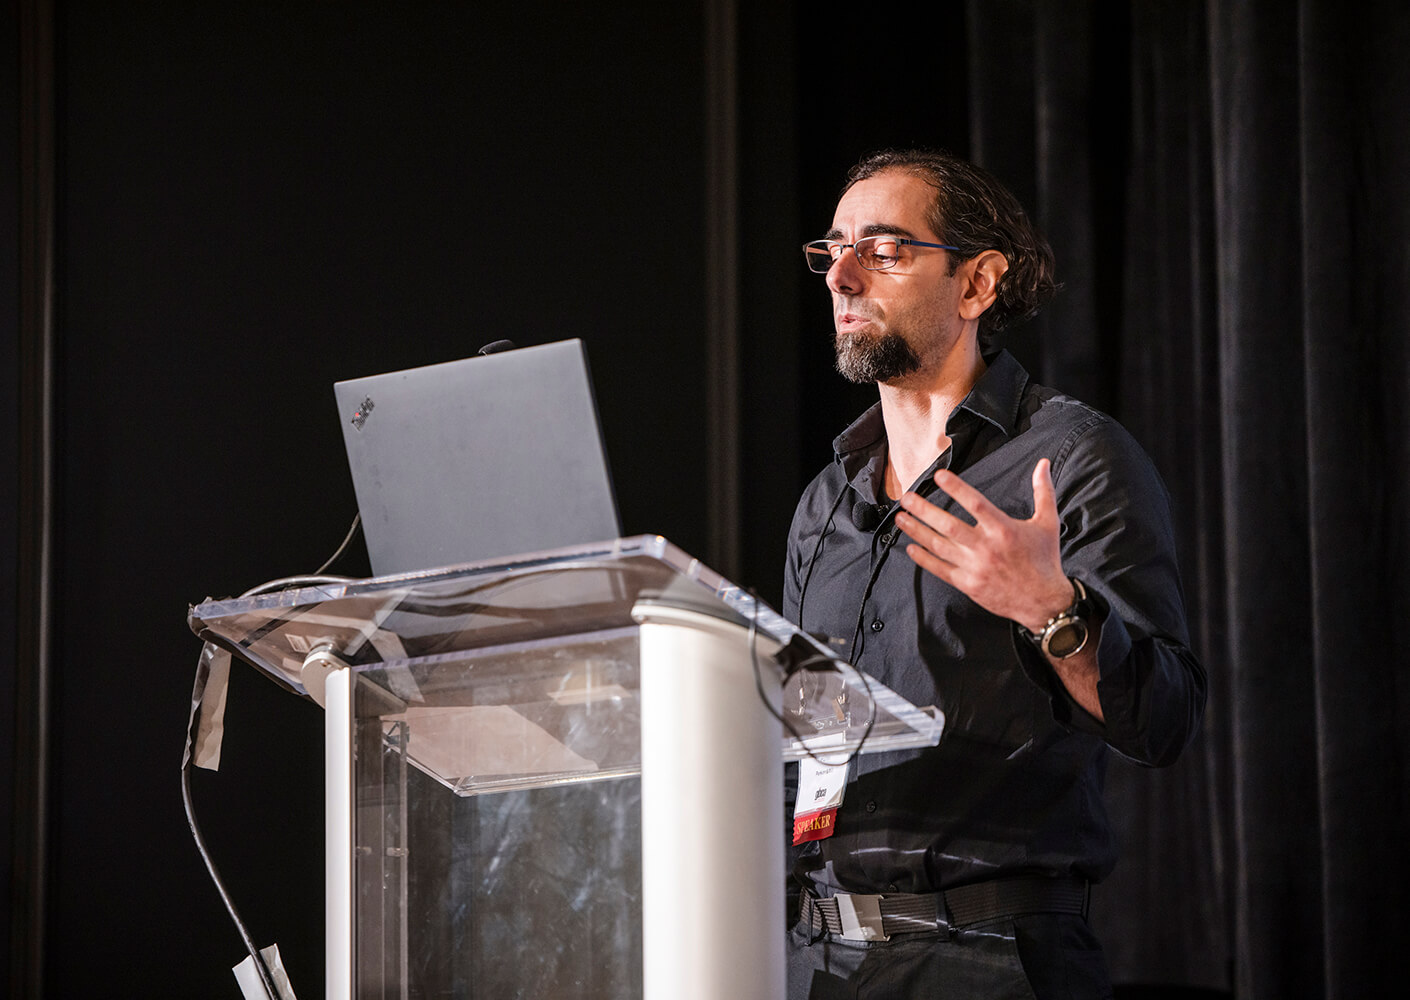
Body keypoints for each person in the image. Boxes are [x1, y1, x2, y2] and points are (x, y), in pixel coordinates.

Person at [782, 148, 1206, 999]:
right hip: (815, 962)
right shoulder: (825, 501)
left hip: (988, 959)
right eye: (833, 250)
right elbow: (805, 738)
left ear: (977, 284)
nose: (843, 277)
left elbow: (1163, 721)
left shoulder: (1071, 459)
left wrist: (1051, 609)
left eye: (884, 250)